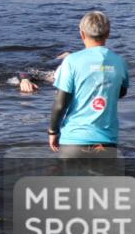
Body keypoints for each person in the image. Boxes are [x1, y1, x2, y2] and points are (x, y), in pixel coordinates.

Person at [48, 12, 130, 157]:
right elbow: (121, 92)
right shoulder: (119, 62)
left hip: (73, 140)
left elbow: (61, 103)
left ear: (82, 34)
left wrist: (53, 131)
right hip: (106, 142)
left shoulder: (71, 61)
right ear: (108, 33)